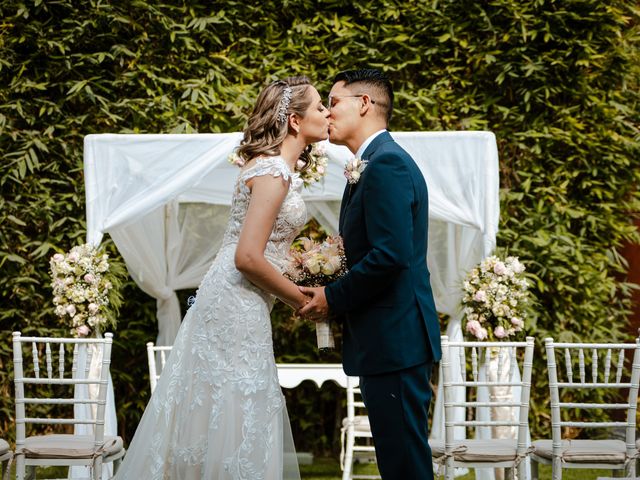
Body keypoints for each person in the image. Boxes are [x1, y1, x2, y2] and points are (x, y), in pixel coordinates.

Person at [115, 76, 329, 480]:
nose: (327, 113)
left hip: (235, 296)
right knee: (236, 400)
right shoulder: (273, 172)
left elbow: (261, 249)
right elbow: (248, 256)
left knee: (221, 403)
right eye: (319, 107)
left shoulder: (270, 167)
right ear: (297, 122)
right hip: (237, 298)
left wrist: (294, 271)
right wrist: (300, 299)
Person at [299, 69, 441, 479]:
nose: (326, 112)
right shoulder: (371, 163)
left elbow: (390, 255)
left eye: (334, 101)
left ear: (364, 104)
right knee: (397, 462)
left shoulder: (387, 164)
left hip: (396, 340)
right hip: (387, 341)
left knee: (405, 465)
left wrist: (332, 297)